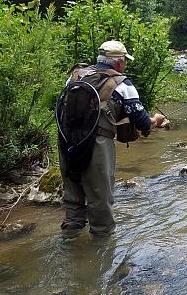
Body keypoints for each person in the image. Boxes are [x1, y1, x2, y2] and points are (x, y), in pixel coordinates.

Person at [58, 40, 165, 237]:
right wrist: (156, 120)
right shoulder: (122, 84)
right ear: (119, 62)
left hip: (66, 143)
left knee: (73, 199)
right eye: (124, 61)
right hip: (97, 147)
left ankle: (69, 242)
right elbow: (142, 123)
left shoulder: (74, 77)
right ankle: (101, 255)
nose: (124, 65)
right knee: (100, 201)